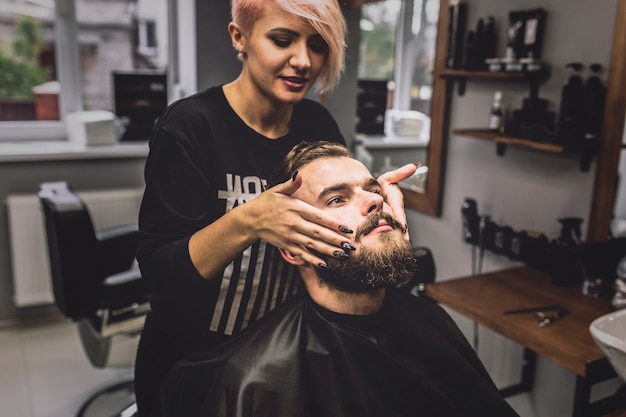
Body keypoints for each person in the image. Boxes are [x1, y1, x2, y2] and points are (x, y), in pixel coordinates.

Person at [134, 1, 417, 415]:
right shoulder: (190, 127)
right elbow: (160, 271)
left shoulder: (317, 125)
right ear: (239, 38)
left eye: (318, 46)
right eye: (282, 40)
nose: (303, 61)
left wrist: (376, 201)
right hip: (192, 363)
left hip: (282, 355)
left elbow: (338, 208)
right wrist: (250, 220)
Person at [151, 141, 521, 417]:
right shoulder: (256, 380)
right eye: (335, 200)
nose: (375, 203)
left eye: (373, 191)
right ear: (293, 249)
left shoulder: (431, 322)